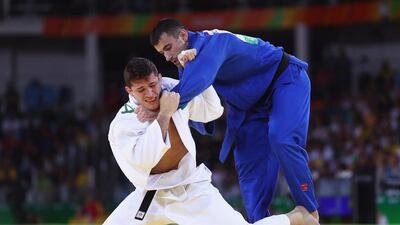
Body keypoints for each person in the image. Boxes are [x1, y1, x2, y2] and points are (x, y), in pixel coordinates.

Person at [103, 57, 319, 225]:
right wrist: (164, 115)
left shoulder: (173, 91)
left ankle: (297, 217)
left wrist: (196, 75)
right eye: (141, 90)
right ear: (129, 91)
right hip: (148, 197)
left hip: (190, 189)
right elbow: (144, 159)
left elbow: (211, 110)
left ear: (159, 78)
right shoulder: (124, 123)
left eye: (152, 84)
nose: (150, 93)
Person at [147, 18, 319, 223]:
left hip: (284, 80)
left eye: (168, 48)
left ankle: (309, 211)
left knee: (281, 138)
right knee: (250, 169)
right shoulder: (187, 61)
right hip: (249, 109)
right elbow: (198, 106)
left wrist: (153, 107)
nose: (167, 57)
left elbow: (192, 87)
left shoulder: (213, 42)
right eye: (162, 53)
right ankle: (260, 221)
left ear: (183, 35)